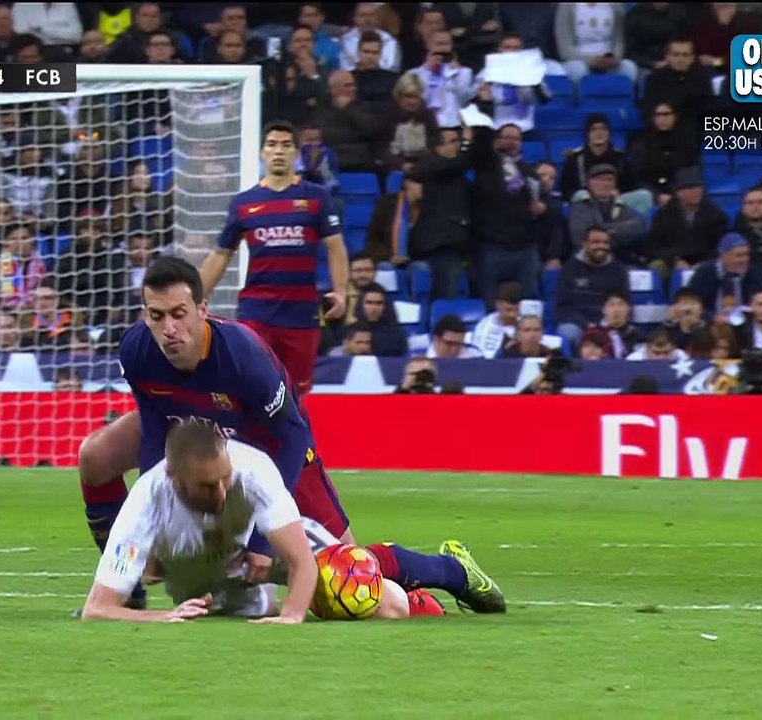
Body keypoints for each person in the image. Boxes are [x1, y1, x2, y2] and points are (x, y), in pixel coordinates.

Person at [79, 256, 505, 614]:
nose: (169, 329)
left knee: (345, 571)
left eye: (178, 314)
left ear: (202, 310)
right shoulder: (137, 350)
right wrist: (161, 518)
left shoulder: (243, 357)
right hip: (200, 441)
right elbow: (155, 426)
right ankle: (128, 589)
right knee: (96, 455)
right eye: (156, 316)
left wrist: (264, 539)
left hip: (275, 447)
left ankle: (450, 572)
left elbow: (291, 436)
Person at [81, 422, 445, 622]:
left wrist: (292, 616)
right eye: (208, 486)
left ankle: (437, 586)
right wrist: (163, 617)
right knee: (252, 611)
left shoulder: (253, 469)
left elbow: (302, 561)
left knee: (375, 599)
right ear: (173, 476)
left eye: (226, 479)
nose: (222, 493)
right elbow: (97, 608)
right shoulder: (146, 499)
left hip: (270, 544)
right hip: (213, 575)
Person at [198, 120, 349, 396]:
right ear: (262, 153)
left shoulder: (317, 198)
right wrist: (195, 299)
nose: (278, 150)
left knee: (294, 395)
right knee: (249, 386)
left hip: (301, 315)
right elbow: (221, 254)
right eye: (272, 145)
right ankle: (243, 439)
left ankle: (290, 440)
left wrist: (341, 291)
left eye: (286, 145)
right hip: (257, 312)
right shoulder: (244, 203)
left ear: (296, 153)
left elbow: (336, 247)